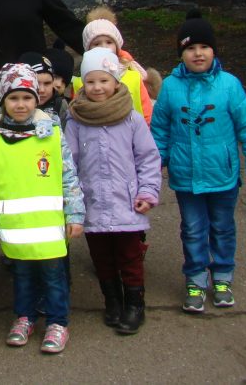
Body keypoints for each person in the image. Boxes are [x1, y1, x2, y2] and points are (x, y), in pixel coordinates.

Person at [151, 10, 246, 313]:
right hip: (186, 175)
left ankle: (222, 276)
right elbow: (160, 130)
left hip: (223, 174)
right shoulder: (171, 87)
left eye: (203, 47)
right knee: (192, 228)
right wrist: (155, 164)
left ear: (213, 50)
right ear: (182, 54)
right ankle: (195, 278)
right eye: (190, 48)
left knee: (222, 226)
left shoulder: (229, 85)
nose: (198, 53)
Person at [0, 63, 85, 354]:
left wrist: (74, 213)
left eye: (27, 97)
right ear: (3, 101)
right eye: (13, 98)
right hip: (15, 229)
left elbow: (68, 175)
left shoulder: (51, 134)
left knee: (53, 276)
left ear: (37, 99)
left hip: (49, 227)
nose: (20, 104)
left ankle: (58, 322)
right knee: (22, 277)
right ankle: (24, 317)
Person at [65, 48, 161, 335]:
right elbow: (69, 162)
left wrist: (147, 192)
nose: (97, 87)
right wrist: (73, 201)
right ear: (82, 84)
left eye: (103, 81)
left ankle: (134, 305)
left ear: (116, 83)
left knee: (130, 256)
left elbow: (148, 157)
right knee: (102, 258)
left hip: (127, 202)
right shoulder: (76, 119)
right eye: (90, 81)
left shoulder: (130, 118)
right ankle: (113, 302)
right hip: (92, 203)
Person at [82, 7, 153, 124]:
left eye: (109, 42)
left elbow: (145, 109)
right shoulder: (85, 79)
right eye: (97, 43)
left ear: (117, 46)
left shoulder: (133, 75)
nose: (104, 47)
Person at [19, 51, 69, 127]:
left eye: (47, 83)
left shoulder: (60, 104)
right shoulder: (12, 103)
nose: (42, 90)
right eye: (36, 83)